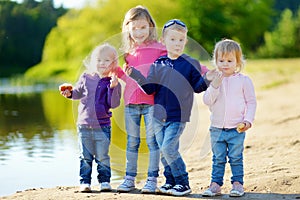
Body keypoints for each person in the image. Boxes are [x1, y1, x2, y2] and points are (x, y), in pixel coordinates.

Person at [125, 19, 211, 196]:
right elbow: (150, 89)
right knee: (164, 151)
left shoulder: (189, 63)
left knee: (168, 148)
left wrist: (209, 79)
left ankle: (183, 182)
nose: (177, 44)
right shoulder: (159, 63)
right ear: (164, 41)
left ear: (185, 41)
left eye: (181, 40)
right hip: (158, 115)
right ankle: (170, 181)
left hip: (177, 115)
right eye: (173, 40)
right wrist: (135, 75)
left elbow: (197, 87)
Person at [115, 5, 167, 193]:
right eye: (134, 28)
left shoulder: (159, 48)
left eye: (143, 27)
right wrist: (117, 71)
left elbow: (168, 65)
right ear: (127, 28)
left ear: (151, 26)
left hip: (152, 102)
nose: (139, 32)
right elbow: (127, 78)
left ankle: (152, 179)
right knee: (132, 141)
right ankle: (129, 179)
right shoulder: (128, 53)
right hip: (131, 104)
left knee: (153, 141)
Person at [59, 43, 122, 193]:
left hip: (103, 126)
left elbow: (113, 104)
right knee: (85, 157)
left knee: (103, 157)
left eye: (106, 61)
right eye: (99, 60)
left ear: (113, 64)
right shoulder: (86, 77)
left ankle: (105, 181)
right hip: (84, 125)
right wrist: (69, 93)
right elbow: (78, 93)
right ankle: (85, 182)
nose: (102, 63)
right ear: (93, 62)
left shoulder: (113, 82)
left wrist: (113, 88)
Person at [202, 39, 257, 197]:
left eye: (229, 60)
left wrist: (248, 120)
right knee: (218, 158)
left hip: (236, 129)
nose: (225, 64)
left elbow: (251, 102)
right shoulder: (214, 81)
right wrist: (214, 86)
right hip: (217, 129)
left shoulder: (243, 81)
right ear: (216, 60)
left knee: (235, 157)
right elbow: (207, 101)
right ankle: (215, 185)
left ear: (238, 62)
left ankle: (237, 184)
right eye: (221, 60)